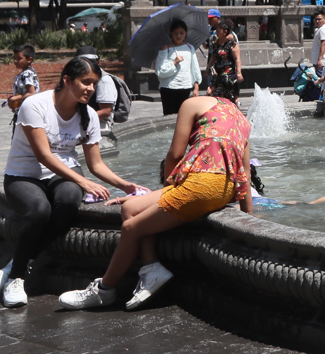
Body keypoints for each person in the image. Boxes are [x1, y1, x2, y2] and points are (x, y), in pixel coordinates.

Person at [59, 74, 252, 311]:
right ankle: (151, 267)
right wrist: (248, 218)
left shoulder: (193, 103)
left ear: (210, 89)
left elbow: (174, 154)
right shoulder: (243, 120)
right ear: (236, 97)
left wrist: (170, 189)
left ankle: (104, 291)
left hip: (201, 186)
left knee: (131, 228)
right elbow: (245, 174)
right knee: (130, 208)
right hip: (222, 190)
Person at [0, 57, 145, 307]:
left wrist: (125, 185)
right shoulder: (35, 105)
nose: (91, 89)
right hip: (23, 174)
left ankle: (18, 263)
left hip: (62, 175)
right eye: (86, 82)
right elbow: (43, 155)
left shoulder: (90, 117)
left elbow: (95, 164)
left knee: (70, 200)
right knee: (39, 210)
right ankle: (16, 279)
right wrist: (84, 183)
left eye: (94, 84)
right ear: (67, 80)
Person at [155, 19, 201, 116]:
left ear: (186, 33)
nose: (178, 36)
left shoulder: (190, 48)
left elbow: (194, 68)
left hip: (185, 87)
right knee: (169, 115)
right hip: (169, 87)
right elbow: (159, 70)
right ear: (171, 33)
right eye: (175, 33)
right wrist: (174, 62)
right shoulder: (165, 49)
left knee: (183, 115)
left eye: (181, 33)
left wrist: (196, 87)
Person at [77, 46, 117, 132]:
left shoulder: (104, 80)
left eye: (90, 62)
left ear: (98, 62)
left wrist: (77, 122)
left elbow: (105, 112)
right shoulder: (76, 78)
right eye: (82, 62)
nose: (86, 65)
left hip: (100, 124)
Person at [207, 18, 244, 93]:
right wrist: (208, 68)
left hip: (229, 74)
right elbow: (213, 56)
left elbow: (237, 59)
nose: (216, 32)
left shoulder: (232, 44)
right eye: (216, 30)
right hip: (217, 74)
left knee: (228, 94)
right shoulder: (215, 43)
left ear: (225, 32)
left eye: (219, 30)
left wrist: (239, 72)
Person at [7, 44, 39, 112]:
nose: (15, 61)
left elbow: (31, 93)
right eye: (14, 58)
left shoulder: (27, 74)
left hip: (28, 111)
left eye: (19, 58)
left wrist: (14, 99)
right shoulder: (25, 73)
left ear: (29, 59)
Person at [311, 9, 325, 75]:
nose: (317, 21)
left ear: (324, 19)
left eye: (319, 19)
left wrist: (320, 59)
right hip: (319, 60)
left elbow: (324, 44)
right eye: (316, 19)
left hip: (321, 61)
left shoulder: (323, 30)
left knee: (320, 81)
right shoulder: (322, 28)